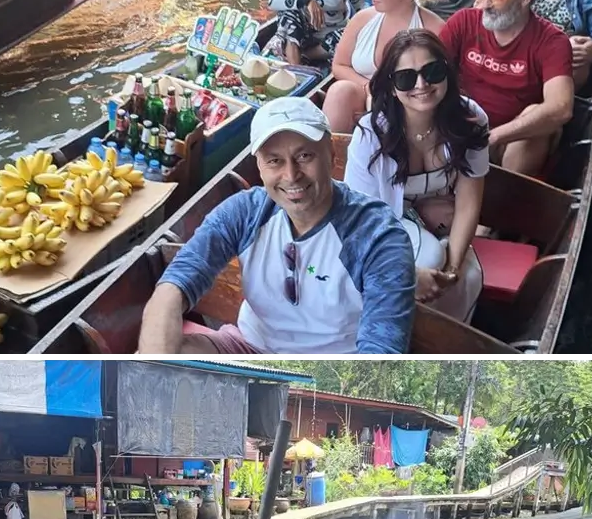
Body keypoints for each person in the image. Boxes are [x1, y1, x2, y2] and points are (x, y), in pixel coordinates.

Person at [137, 97, 416, 358]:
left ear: (330, 155)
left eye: (305, 156)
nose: (291, 175)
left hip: (335, 368)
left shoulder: (377, 235)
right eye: (274, 161)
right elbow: (175, 284)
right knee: (169, 353)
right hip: (251, 346)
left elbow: (381, 350)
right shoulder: (246, 212)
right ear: (259, 167)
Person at [344, 30, 488, 323]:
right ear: (392, 86)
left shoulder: (471, 120)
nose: (421, 85)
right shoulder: (371, 135)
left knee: (467, 275)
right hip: (387, 223)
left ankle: (440, 348)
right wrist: (407, 271)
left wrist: (454, 266)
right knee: (428, 258)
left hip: (444, 222)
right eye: (406, 78)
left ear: (447, 72)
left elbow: (469, 202)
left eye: (432, 72)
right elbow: (361, 219)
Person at [440, 0, 573, 176]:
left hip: (510, 141)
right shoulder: (463, 21)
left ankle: (503, 196)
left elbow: (561, 108)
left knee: (536, 115)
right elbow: (430, 66)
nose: (483, 5)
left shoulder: (552, 41)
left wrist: (493, 137)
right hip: (460, 125)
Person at [323, 0, 443, 133]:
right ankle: (335, 155)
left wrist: (385, 102)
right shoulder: (361, 20)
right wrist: (369, 87)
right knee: (339, 91)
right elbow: (339, 65)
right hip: (363, 94)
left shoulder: (434, 30)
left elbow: (439, 87)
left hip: (411, 103)